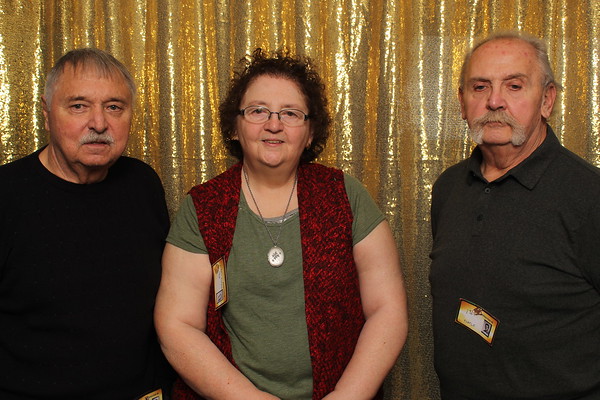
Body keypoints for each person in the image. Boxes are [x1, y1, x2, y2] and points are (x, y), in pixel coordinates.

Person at [155, 48, 408, 400]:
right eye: (258, 110)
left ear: (310, 132)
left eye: (290, 113)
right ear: (234, 126)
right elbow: (177, 326)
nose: (273, 124)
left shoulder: (345, 195)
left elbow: (387, 310)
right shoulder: (203, 207)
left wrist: (347, 396)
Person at [430, 31, 600, 399]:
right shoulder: (448, 188)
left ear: (547, 100)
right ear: (462, 102)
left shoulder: (590, 196)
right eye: (480, 87)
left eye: (514, 86)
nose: (494, 101)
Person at [0, 48, 173, 399]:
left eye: (114, 107)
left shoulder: (142, 184)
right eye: (79, 106)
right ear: (47, 114)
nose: (99, 123)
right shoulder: (7, 195)